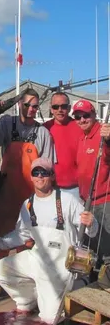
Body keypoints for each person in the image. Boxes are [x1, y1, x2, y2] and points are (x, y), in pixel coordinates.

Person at [0, 157, 98, 324]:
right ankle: (26, 301)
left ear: (52, 176)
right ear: (31, 177)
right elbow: (21, 235)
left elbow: (92, 232)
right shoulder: (28, 204)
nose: (40, 176)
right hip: (37, 258)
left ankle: (70, 289)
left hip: (61, 266)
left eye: (44, 173)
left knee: (50, 319)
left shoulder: (68, 200)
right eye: (36, 172)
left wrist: (92, 223)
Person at [0, 88, 54, 296]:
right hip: (5, 194)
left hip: (31, 195)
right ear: (19, 104)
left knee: (28, 240)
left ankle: (25, 281)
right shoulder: (6, 124)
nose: (32, 109)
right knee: (0, 236)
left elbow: (49, 167)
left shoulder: (43, 133)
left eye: (35, 106)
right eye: (27, 105)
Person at [73, 99, 110, 276]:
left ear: (94, 115)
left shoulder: (103, 134)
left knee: (107, 250)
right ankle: (96, 282)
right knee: (91, 250)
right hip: (86, 203)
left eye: (85, 115)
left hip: (104, 203)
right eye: (78, 116)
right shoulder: (82, 137)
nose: (81, 120)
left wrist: (109, 139)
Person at [43, 92, 83, 198]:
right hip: (52, 187)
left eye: (64, 106)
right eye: (56, 107)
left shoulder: (81, 126)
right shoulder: (44, 129)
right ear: (51, 109)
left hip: (77, 188)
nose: (60, 110)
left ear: (69, 108)